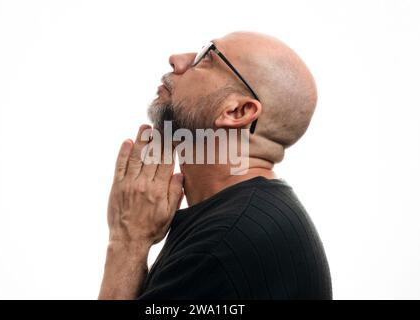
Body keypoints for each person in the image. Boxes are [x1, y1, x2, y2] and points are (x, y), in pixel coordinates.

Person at [98, 31, 332, 300]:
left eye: (206, 57)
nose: (177, 60)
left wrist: (127, 242)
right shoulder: (247, 219)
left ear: (237, 111)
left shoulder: (224, 245)